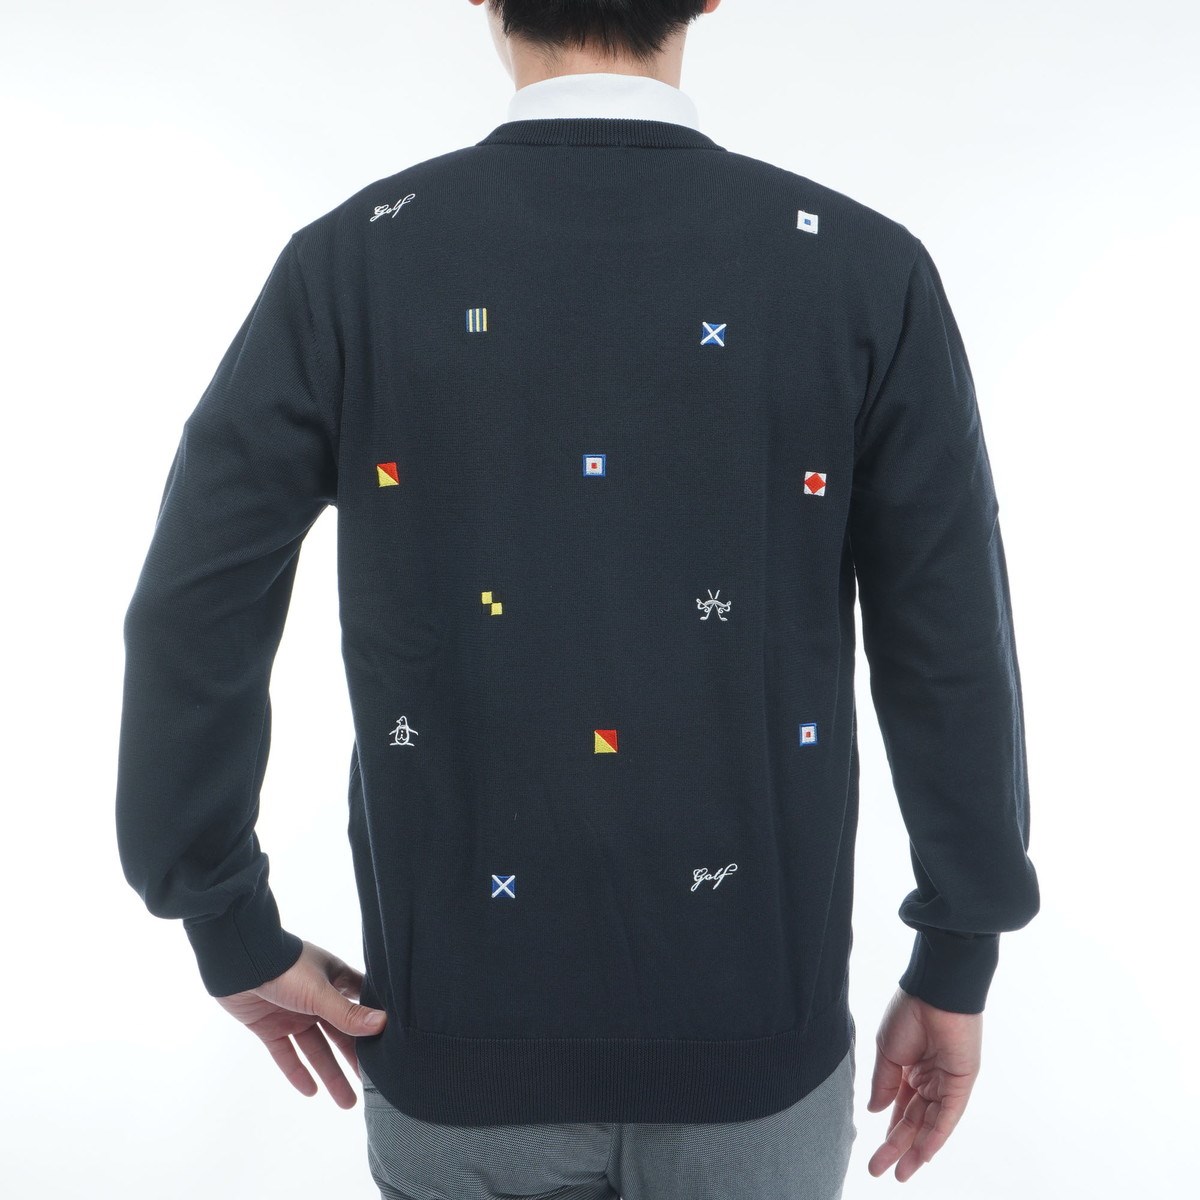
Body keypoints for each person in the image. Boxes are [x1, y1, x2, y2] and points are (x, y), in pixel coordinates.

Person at [114, 2, 1041, 1197]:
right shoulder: (860, 268)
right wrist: (957, 952)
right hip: (753, 1054)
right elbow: (948, 640)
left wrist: (226, 922)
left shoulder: (353, 263)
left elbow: (193, 604)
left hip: (454, 1054)